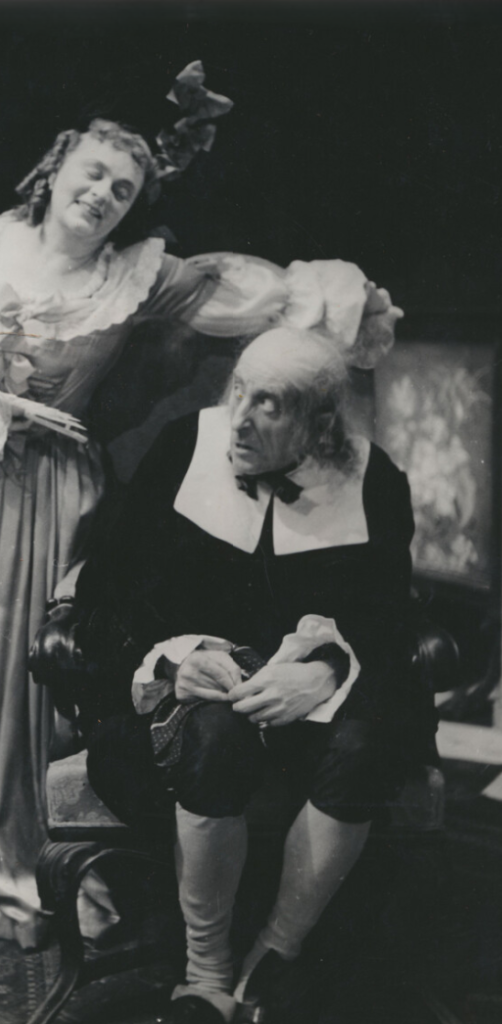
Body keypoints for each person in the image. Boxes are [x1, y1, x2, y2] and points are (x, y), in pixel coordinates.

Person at [0, 59, 403, 949]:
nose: (102, 194)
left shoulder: (142, 276)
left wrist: (346, 297)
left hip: (44, 496)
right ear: (55, 166)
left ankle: (9, 852)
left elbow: (260, 292)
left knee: (13, 671)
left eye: (123, 188)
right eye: (94, 173)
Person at [67, 327, 434, 1023]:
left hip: (308, 722)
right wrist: (172, 663)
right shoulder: (183, 447)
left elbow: (388, 623)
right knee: (215, 738)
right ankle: (204, 972)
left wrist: (326, 670)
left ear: (319, 424)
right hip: (187, 714)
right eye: (238, 389)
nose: (240, 417)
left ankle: (273, 955)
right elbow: (106, 596)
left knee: (365, 747)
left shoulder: (374, 479)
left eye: (269, 404)